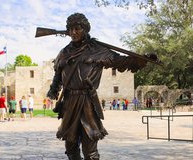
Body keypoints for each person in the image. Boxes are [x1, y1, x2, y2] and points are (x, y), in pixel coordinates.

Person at [46, 13, 150, 160]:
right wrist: (53, 89)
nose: (73, 32)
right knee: (70, 146)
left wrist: (142, 60)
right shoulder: (64, 52)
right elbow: (58, 73)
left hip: (87, 102)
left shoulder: (98, 50)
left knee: (90, 149)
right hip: (69, 103)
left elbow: (122, 62)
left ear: (85, 29)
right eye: (70, 29)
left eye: (77, 28)